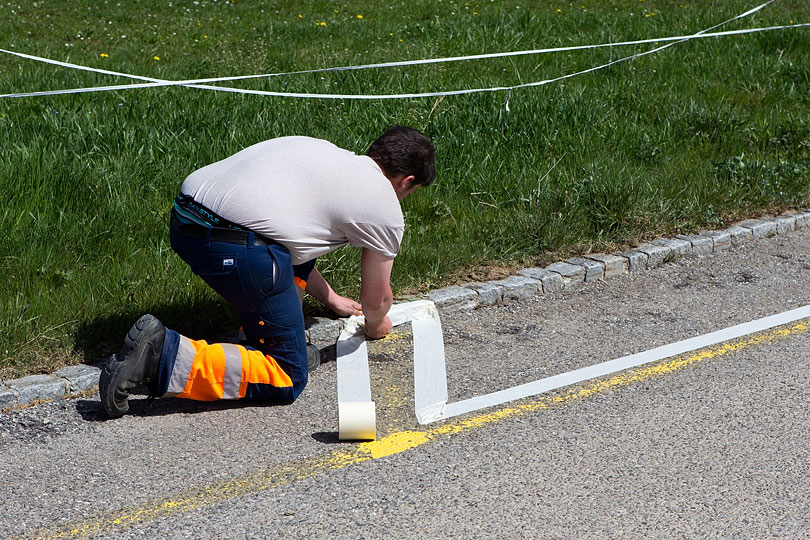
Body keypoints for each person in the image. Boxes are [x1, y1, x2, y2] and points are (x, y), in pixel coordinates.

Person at [99, 126, 436, 418]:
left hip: (185, 219)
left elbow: (291, 233)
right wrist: (377, 325)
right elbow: (376, 299)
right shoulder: (385, 206)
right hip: (236, 248)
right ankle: (161, 356)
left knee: (284, 251)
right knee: (288, 375)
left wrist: (330, 298)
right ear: (407, 182)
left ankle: (267, 334)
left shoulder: (326, 153)